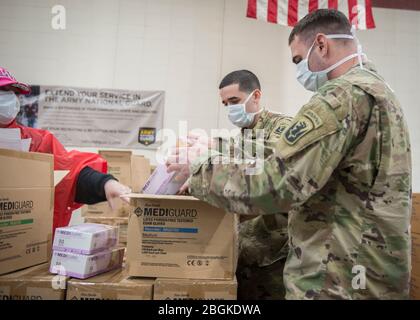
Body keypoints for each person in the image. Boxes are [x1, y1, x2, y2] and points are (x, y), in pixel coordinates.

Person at [167, 9, 412, 299]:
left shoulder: (341, 97)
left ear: (321, 45)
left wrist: (198, 169)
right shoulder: (379, 91)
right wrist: (215, 148)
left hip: (339, 278)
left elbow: (276, 182)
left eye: (298, 59)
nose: (299, 70)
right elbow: (282, 154)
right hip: (370, 271)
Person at [0, 67, 131, 234]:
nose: (7, 97)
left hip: (22, 244)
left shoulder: (36, 142)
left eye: (10, 91)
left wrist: (105, 183)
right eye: (2, 90)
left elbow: (69, 173)